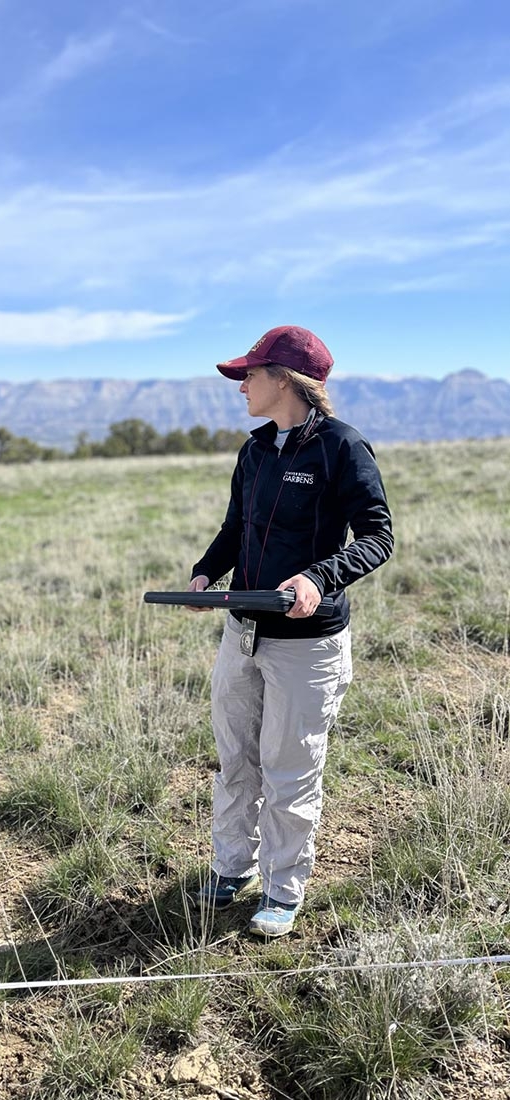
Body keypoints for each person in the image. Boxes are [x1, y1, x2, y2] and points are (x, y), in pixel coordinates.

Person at [188, 325, 393, 937]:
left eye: (250, 374)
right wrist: (204, 573)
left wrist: (318, 577)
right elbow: (235, 529)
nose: (242, 385)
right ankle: (231, 869)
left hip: (306, 643)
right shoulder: (253, 452)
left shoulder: (341, 448)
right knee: (234, 759)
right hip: (242, 631)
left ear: (284, 379)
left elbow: (378, 536)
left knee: (289, 766)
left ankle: (282, 888)